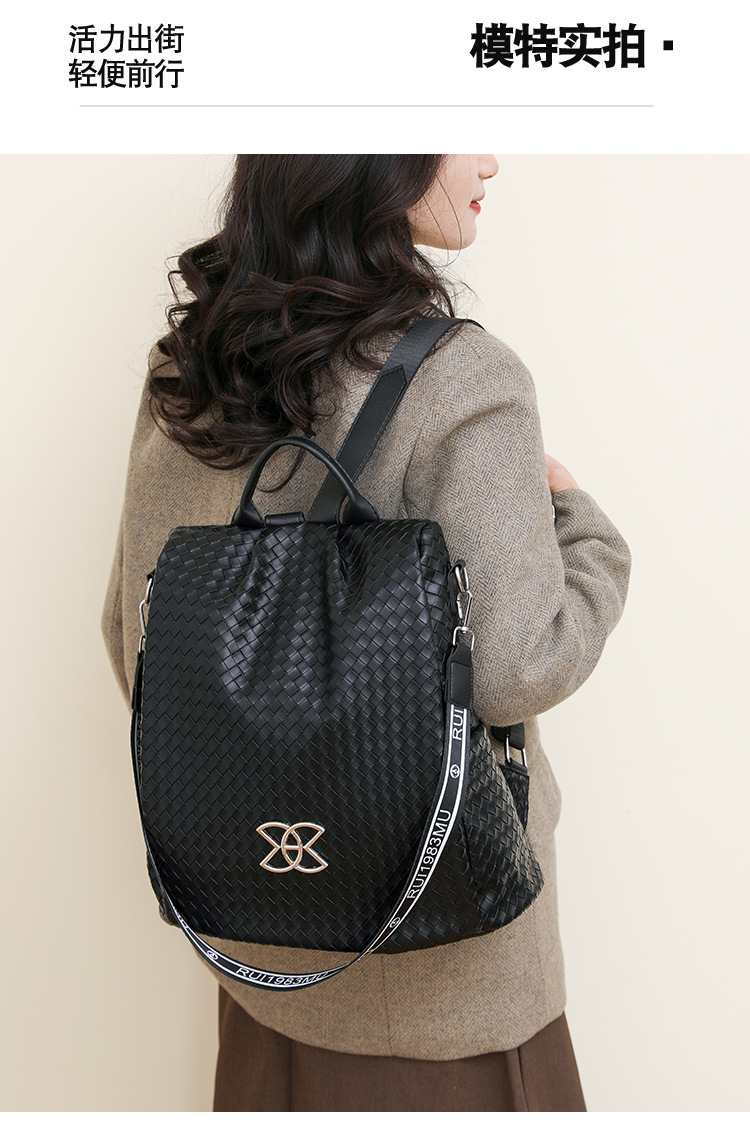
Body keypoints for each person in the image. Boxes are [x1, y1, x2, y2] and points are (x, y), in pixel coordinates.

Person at [100, 154, 632, 1112]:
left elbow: (131, 639)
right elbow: (516, 666)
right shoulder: (462, 379)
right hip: (447, 1003)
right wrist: (588, 535)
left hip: (257, 973)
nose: (489, 158)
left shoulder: (191, 366)